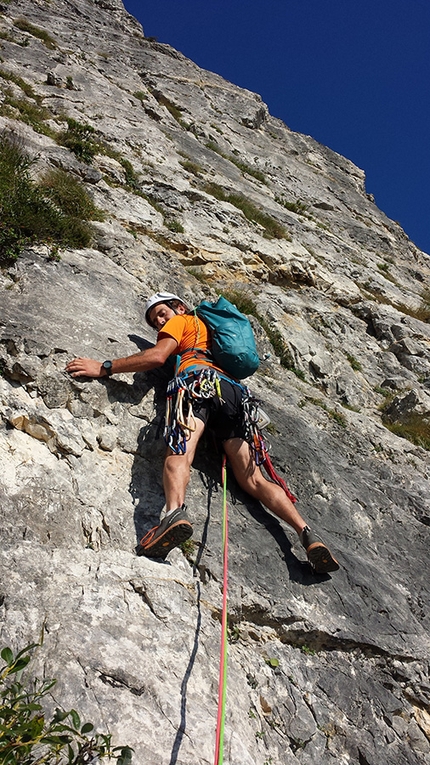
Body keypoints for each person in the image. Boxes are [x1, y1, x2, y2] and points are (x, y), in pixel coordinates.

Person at [66, 292, 339, 574]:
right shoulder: (211, 332)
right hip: (233, 395)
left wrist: (104, 367)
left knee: (180, 452)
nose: (160, 323)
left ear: (179, 307)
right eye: (155, 321)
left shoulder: (182, 322)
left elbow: (158, 356)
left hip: (197, 384)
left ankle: (173, 514)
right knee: (253, 478)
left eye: (161, 314)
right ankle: (306, 533)